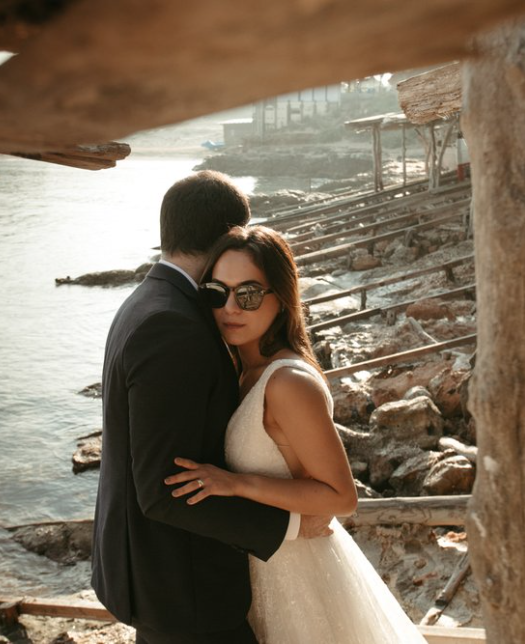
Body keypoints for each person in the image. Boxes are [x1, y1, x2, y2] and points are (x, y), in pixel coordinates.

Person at [91, 171, 331, 644]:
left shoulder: (144, 301)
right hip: (186, 588)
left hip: (159, 579)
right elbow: (162, 490)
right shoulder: (173, 325)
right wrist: (285, 526)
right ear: (227, 236)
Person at [165, 226, 429, 643]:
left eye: (248, 294)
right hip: (265, 570)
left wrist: (235, 483)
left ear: (281, 297)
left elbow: (341, 497)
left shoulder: (287, 382)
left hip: (301, 579)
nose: (231, 307)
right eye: (218, 292)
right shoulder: (242, 370)